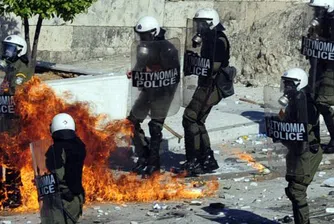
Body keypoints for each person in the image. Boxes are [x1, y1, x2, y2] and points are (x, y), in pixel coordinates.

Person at [181, 8, 234, 176]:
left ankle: (194, 160)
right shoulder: (209, 38)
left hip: (213, 85)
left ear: (210, 23)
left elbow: (214, 67)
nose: (199, 27)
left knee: (190, 118)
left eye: (202, 24)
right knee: (198, 120)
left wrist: (197, 63)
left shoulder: (218, 40)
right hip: (206, 84)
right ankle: (207, 159)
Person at [126, 16, 180, 176]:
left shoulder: (168, 49)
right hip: (148, 90)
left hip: (164, 92)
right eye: (140, 35)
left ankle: (153, 163)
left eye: (145, 35)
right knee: (131, 122)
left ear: (154, 33)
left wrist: (156, 74)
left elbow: (174, 75)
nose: (142, 38)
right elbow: (140, 65)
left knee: (155, 127)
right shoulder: (143, 47)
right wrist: (135, 73)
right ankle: (143, 156)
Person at [278, 68, 321, 224]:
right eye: (286, 84)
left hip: (307, 151)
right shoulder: (294, 101)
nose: (287, 87)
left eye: (290, 84)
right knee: (293, 190)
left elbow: (300, 128)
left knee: (297, 190)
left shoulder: (306, 104)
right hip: (296, 149)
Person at [0, 35, 34, 208]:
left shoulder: (22, 71)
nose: (7, 52)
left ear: (20, 50)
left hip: (15, 126)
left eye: (11, 48)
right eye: (6, 48)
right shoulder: (11, 68)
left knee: (13, 161)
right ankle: (3, 194)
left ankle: (14, 196)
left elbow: (16, 91)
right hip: (4, 123)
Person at [44, 113, 86, 223]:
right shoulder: (79, 145)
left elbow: (58, 175)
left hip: (64, 199)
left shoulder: (56, 150)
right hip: (77, 198)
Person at [307, 0, 334, 153]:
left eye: (319, 9)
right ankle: (312, 139)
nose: (316, 12)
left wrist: (323, 42)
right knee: (313, 100)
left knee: (324, 102)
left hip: (331, 69)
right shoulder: (321, 22)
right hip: (319, 66)